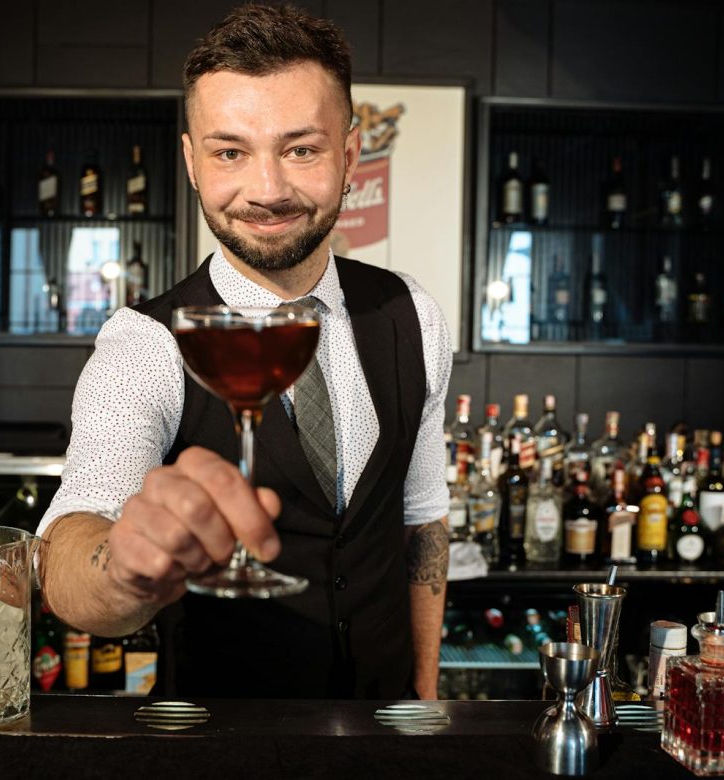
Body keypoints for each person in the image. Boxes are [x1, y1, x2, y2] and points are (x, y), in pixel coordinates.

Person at [37, 3, 452, 699]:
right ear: (192, 161)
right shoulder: (144, 343)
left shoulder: (413, 313)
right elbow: (68, 551)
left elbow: (422, 522)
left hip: (387, 736)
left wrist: (427, 699)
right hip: (223, 748)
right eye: (231, 151)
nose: (267, 190)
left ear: (349, 156)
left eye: (301, 149)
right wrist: (122, 570)